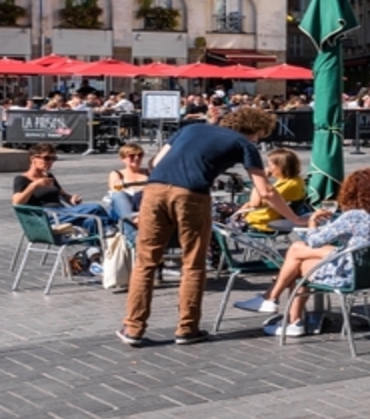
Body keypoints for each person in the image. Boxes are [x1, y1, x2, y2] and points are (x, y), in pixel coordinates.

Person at [119, 107, 303, 347]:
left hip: (154, 191)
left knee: (146, 262)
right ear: (255, 129)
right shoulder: (244, 144)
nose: (259, 139)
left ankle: (133, 328)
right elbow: (266, 190)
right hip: (192, 194)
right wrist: (295, 218)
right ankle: (187, 328)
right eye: (260, 134)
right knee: (193, 263)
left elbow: (155, 162)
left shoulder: (191, 128)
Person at [241, 168, 370, 337]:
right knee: (297, 250)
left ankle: (287, 314)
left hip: (350, 275)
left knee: (298, 262)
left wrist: (313, 221)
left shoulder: (354, 216)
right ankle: (275, 303)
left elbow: (314, 242)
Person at [11, 145, 104, 222]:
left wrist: (72, 199)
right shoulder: (22, 179)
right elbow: (17, 203)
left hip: (61, 212)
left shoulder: (48, 176)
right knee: (95, 208)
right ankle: (112, 230)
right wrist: (34, 185)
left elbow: (64, 196)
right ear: (33, 159)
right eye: (46, 158)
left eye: (53, 158)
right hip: (46, 216)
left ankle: (100, 240)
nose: (50, 162)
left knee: (91, 221)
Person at [243, 149, 309, 231]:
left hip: (261, 221)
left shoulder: (290, 185)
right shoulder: (291, 180)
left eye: (270, 165)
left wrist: (261, 180)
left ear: (281, 166)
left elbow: (255, 204)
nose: (268, 168)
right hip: (263, 216)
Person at [103, 143, 149, 238]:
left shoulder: (149, 172)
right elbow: (114, 190)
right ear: (123, 158)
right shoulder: (117, 174)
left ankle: (134, 239)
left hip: (143, 205)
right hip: (123, 207)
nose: (136, 158)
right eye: (132, 156)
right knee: (118, 195)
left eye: (140, 155)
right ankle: (134, 229)